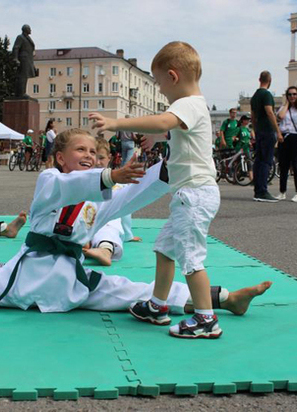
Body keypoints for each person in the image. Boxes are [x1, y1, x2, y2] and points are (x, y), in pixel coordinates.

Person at [0, 128, 273, 328]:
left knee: (134, 289)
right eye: (80, 150)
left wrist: (177, 156)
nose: (89, 156)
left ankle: (224, 299)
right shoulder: (50, 182)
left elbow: (141, 193)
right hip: (25, 279)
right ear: (60, 158)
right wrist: (107, 177)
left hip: (73, 284)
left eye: (95, 152)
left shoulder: (99, 201)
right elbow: (73, 187)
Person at [90, 41, 223, 339]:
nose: (160, 90)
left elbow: (165, 120)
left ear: (173, 77)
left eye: (160, 83)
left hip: (195, 195)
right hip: (189, 195)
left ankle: (206, 319)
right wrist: (161, 138)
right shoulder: (195, 106)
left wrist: (115, 121)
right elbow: (174, 130)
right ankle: (157, 306)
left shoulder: (186, 104)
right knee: (164, 250)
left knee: (191, 258)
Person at [83, 138, 141, 266]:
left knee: (109, 231)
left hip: (106, 223)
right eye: (93, 156)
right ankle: (84, 244)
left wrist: (128, 235)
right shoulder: (82, 179)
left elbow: (125, 212)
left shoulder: (118, 184)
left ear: (109, 158)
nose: (97, 162)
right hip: (84, 224)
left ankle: (104, 251)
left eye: (101, 158)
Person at [250, 71, 284, 202]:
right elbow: (269, 112)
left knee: (259, 161)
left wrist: (255, 129)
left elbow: (253, 117)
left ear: (259, 79)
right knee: (266, 161)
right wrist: (278, 131)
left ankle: (258, 190)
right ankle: (262, 192)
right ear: (270, 81)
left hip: (259, 131)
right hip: (268, 131)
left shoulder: (254, 96)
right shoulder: (267, 94)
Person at [275, 86, 297, 203]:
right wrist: (287, 104)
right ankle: (282, 192)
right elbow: (280, 117)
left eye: (294, 94)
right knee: (283, 166)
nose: (292, 96)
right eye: (290, 94)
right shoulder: (283, 108)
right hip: (285, 137)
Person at [12, 24, 37, 99]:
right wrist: (15, 59)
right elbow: (16, 48)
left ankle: (22, 92)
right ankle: (21, 93)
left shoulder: (28, 38)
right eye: (29, 29)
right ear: (25, 29)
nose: (30, 30)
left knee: (25, 76)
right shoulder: (20, 37)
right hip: (23, 59)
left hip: (28, 60)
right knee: (22, 76)